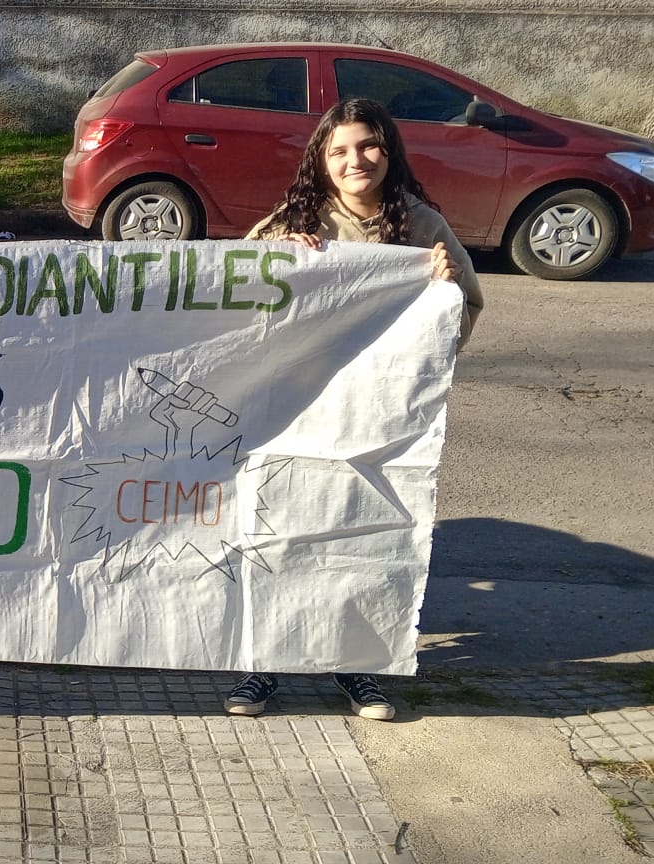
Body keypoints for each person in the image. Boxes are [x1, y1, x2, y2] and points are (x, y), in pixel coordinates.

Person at [226, 98, 485, 721]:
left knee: (363, 536)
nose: (354, 160)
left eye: (368, 145)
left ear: (388, 152)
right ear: (322, 158)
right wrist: (277, 260)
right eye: (338, 149)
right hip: (295, 412)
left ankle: (358, 664)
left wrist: (444, 290)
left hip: (375, 416)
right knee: (280, 533)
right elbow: (231, 291)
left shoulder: (420, 227)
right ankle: (263, 664)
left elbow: (466, 309)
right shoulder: (298, 219)